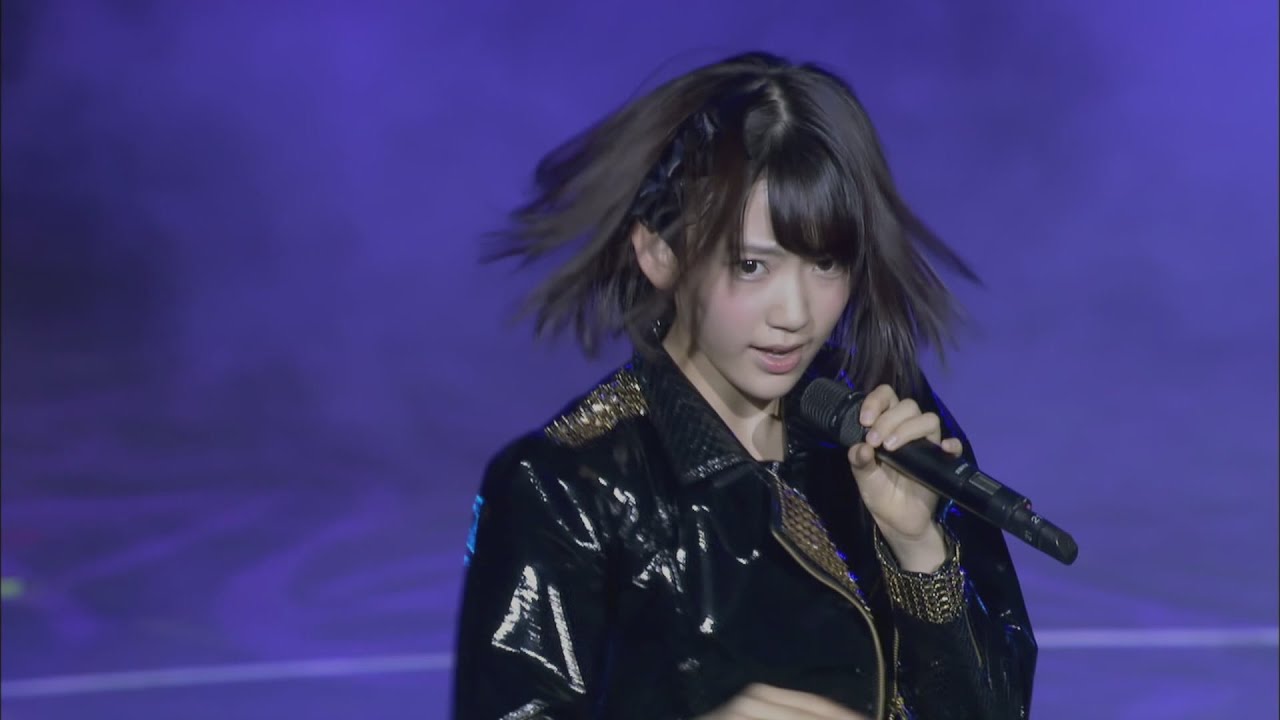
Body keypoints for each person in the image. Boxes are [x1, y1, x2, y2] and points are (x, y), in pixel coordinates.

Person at [453, 51, 1037, 720]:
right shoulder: (564, 488)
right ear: (660, 253)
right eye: (753, 266)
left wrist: (917, 550)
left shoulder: (888, 422)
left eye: (826, 263)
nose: (795, 314)